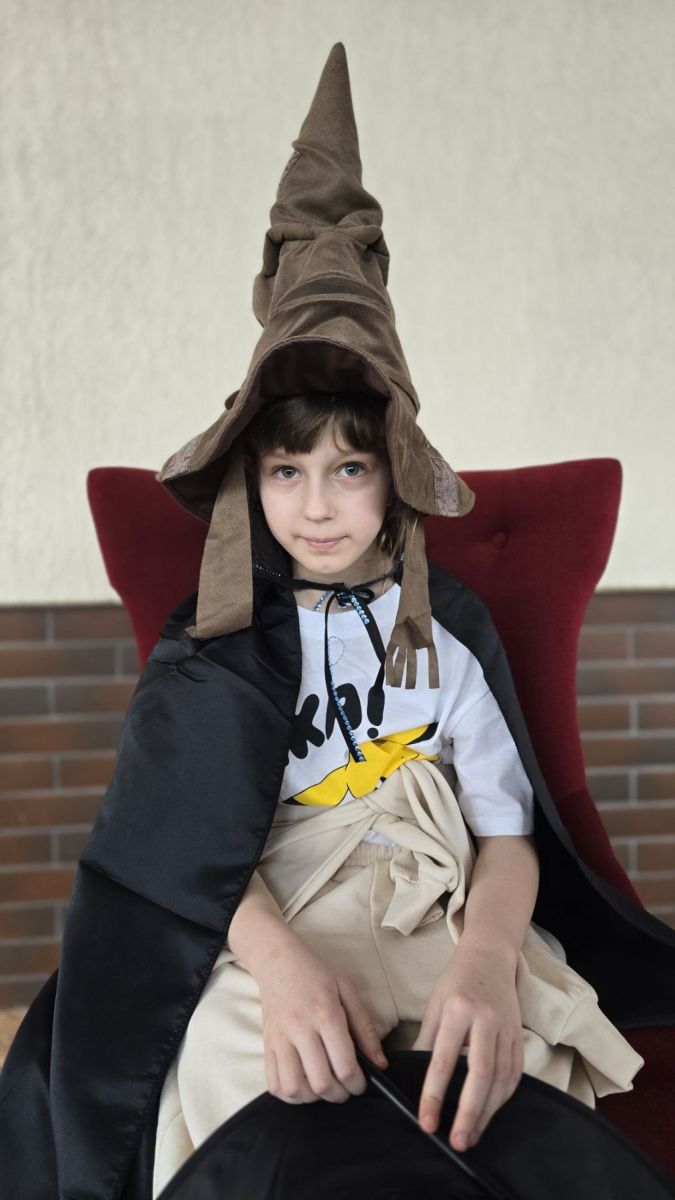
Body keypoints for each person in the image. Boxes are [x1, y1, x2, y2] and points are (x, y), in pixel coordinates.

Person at [149, 388, 642, 1196]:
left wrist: (487, 962)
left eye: (349, 468)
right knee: (230, 1058)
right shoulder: (216, 648)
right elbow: (191, 844)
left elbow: (506, 838)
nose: (316, 506)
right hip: (284, 910)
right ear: (252, 483)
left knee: (510, 1056)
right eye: (286, 470)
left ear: (396, 476)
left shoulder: (447, 636)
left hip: (437, 904)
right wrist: (278, 969)